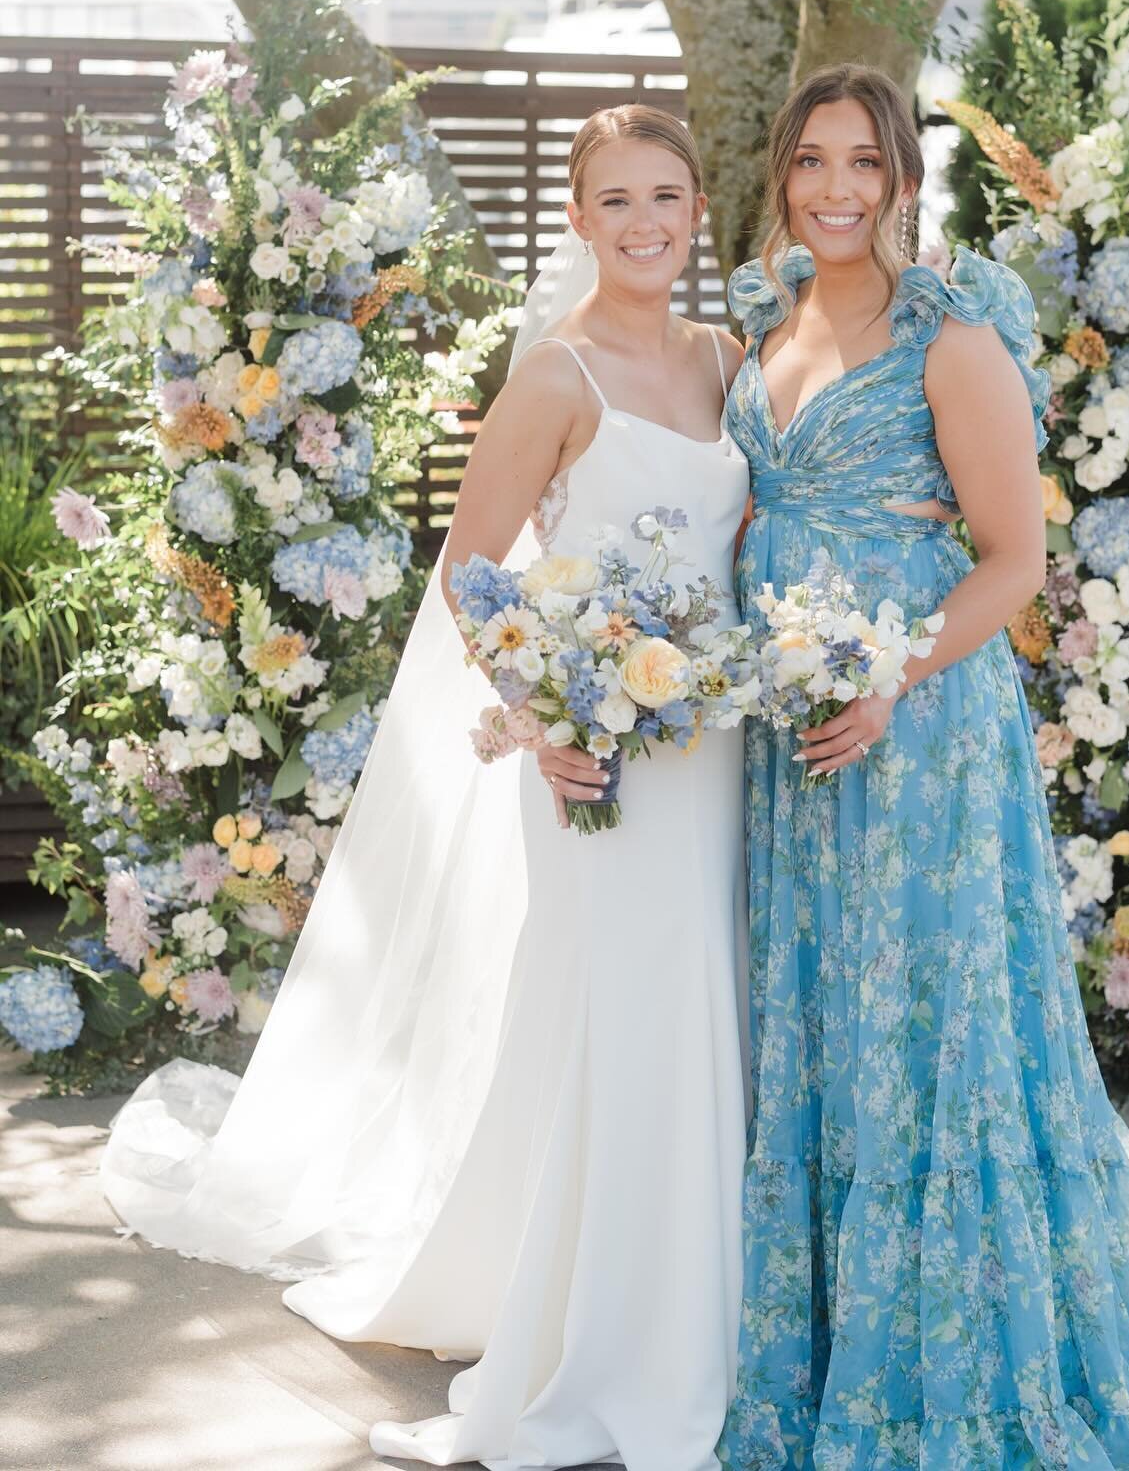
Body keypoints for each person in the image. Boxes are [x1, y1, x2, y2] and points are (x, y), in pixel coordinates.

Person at [99, 104, 753, 1471]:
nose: (645, 222)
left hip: (715, 755)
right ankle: (592, 1325)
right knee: (614, 1019)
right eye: (616, 199)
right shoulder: (558, 379)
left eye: (667, 196)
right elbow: (472, 567)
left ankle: (706, 1303)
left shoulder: (728, 362)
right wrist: (541, 710)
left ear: (700, 210)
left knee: (707, 1008)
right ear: (580, 222)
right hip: (596, 760)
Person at [715, 64, 1129, 1471]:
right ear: (782, 175)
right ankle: (821, 1328)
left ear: (906, 176)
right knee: (818, 1014)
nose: (837, 189)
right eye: (813, 162)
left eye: (865, 162)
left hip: (917, 739)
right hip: (791, 737)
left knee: (927, 1020)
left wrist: (885, 675)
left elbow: (1016, 560)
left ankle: (954, 1351)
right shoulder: (762, 320)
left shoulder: (949, 334)